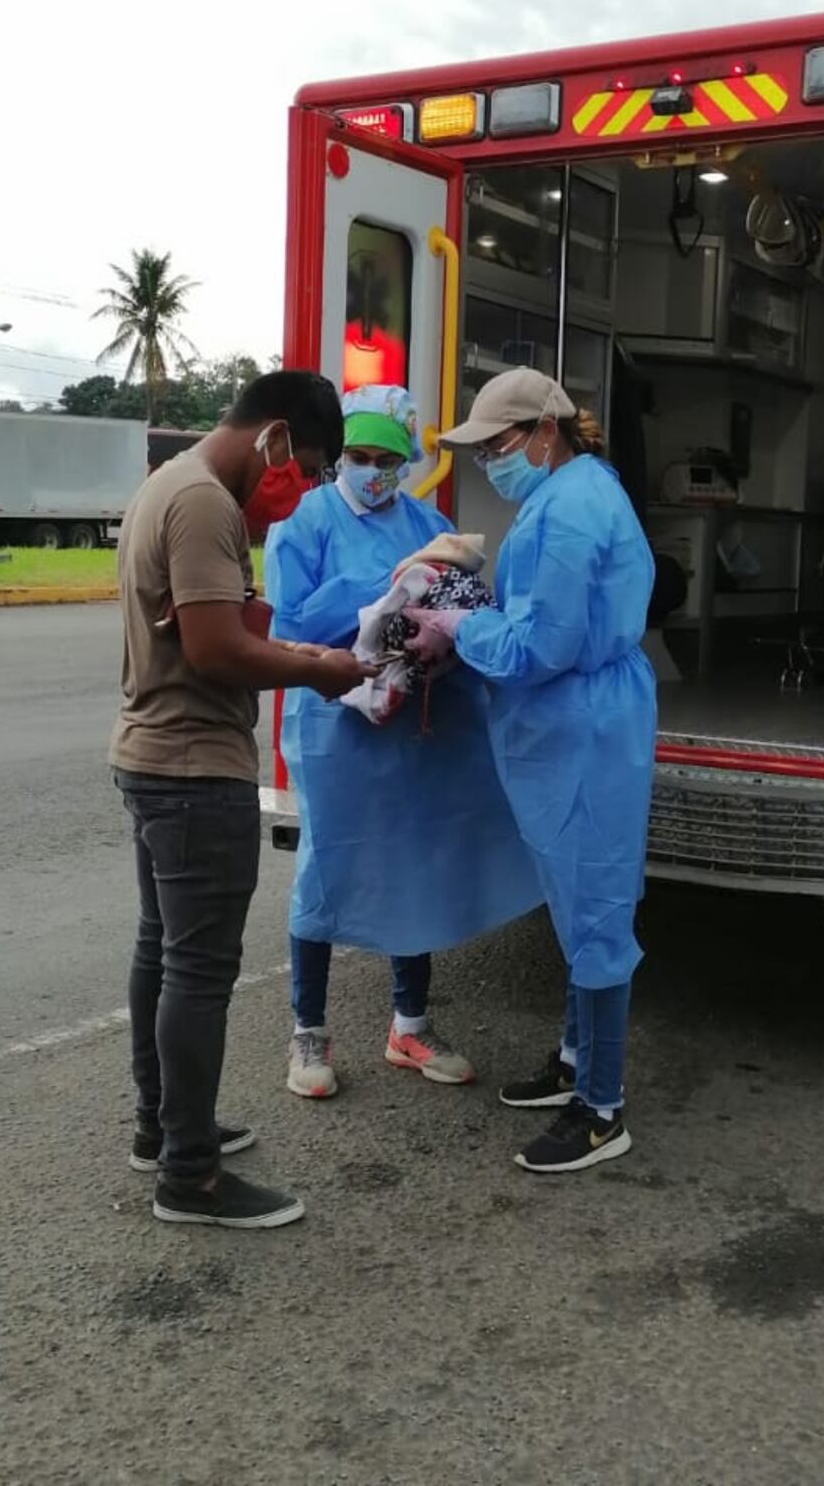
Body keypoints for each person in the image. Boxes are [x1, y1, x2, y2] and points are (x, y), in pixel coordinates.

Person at [110, 370, 372, 1230]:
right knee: (198, 971)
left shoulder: (169, 484)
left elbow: (211, 627)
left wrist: (286, 645)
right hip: (193, 770)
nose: (298, 492)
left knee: (164, 951)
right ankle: (190, 1178)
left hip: (157, 757)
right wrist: (319, 670)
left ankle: (166, 1130)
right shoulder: (203, 504)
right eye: (308, 467)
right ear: (275, 439)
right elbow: (217, 650)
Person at [406, 367, 656, 1174]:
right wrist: (478, 618)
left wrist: (458, 624)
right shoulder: (572, 491)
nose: (488, 464)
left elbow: (539, 649)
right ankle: (577, 1064)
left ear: (544, 431)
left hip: (580, 729)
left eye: (498, 445)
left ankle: (601, 1108)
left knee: (595, 917)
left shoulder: (570, 510)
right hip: (577, 724)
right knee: (576, 904)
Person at [264, 384, 541, 1099]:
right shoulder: (304, 522)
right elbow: (287, 623)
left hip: (414, 723)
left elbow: (454, 605)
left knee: (416, 862)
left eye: (389, 459)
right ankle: (308, 1034)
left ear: (411, 460)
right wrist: (380, 583)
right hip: (337, 727)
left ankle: (409, 1026)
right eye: (359, 456)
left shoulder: (426, 521)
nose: (373, 471)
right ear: (339, 457)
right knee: (327, 871)